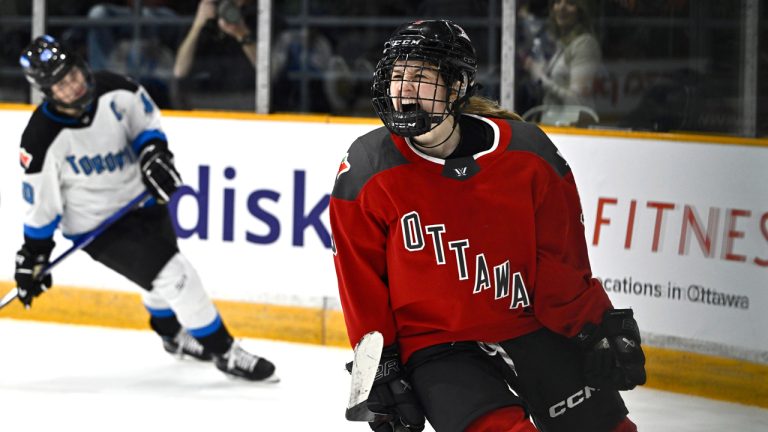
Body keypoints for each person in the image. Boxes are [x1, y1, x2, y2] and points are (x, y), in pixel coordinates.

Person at [330, 20, 645, 432]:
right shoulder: (366, 170)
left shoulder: (528, 153)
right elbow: (362, 283)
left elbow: (561, 262)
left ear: (457, 86)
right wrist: (382, 368)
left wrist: (592, 328)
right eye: (397, 76)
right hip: (437, 347)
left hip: (533, 329)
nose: (404, 89)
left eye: (421, 77)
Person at [14, 35, 276, 382]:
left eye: (73, 73)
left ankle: (171, 336)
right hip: (98, 226)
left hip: (143, 199)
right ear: (46, 91)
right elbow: (42, 206)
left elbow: (147, 128)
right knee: (176, 274)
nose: (74, 86)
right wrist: (34, 253)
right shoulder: (41, 139)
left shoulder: (117, 89)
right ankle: (225, 352)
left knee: (160, 278)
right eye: (61, 84)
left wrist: (154, 154)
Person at [523, 0, 602, 125]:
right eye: (557, 2)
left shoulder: (585, 45)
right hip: (554, 128)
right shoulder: (563, 44)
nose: (561, 7)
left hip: (571, 132)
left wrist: (541, 79)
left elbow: (578, 102)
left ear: (581, 10)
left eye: (570, 3)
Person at [172, 0, 257, 110]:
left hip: (246, 100)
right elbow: (179, 71)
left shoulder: (260, 16)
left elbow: (267, 71)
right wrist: (197, 26)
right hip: (199, 101)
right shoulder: (197, 18)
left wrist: (242, 33)